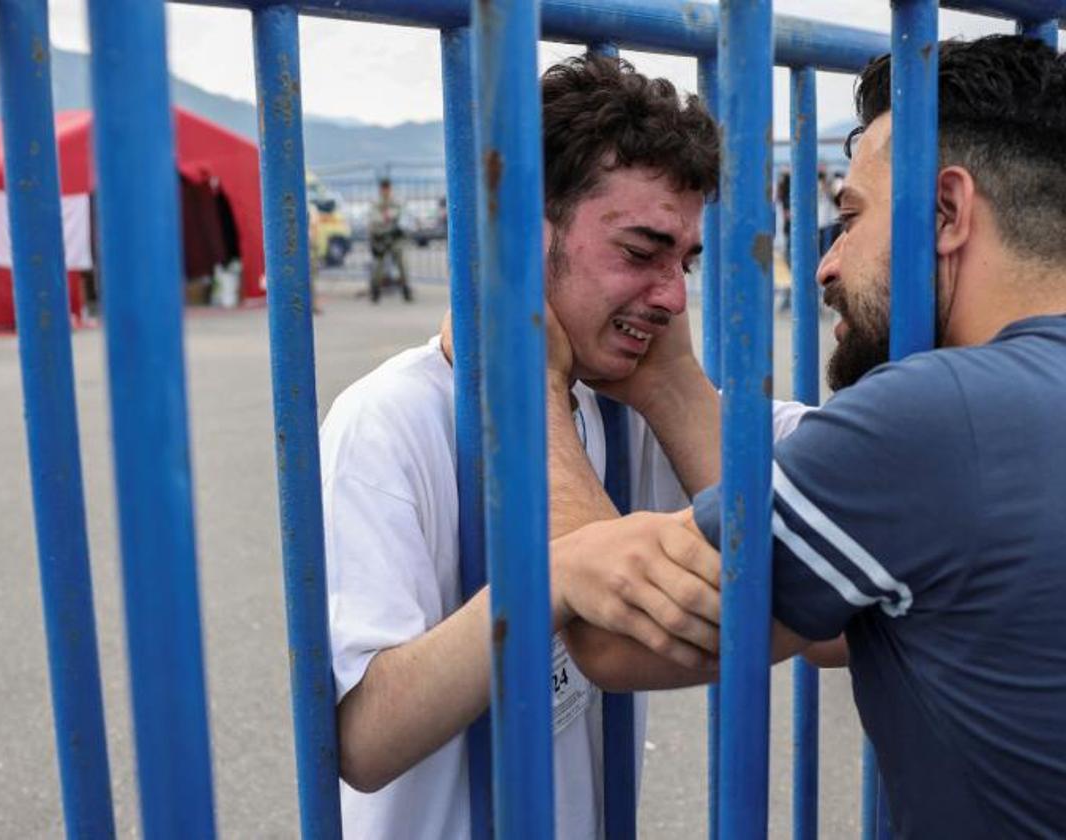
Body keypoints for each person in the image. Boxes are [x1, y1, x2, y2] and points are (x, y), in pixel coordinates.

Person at [556, 35, 1066, 838]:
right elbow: (838, 617)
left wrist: (523, 381)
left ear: (947, 213)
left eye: (852, 218)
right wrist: (673, 385)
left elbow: (612, 634)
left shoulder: (941, 417)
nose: (827, 266)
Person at [321, 54, 808, 839]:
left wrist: (676, 388)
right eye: (641, 251)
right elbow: (362, 739)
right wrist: (546, 582)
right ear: (520, 237)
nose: (675, 295)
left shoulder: (627, 405)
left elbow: (817, 569)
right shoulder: (391, 418)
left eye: (685, 262)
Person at [366, 177, 412, 302]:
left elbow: (402, 215)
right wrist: (388, 217)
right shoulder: (376, 202)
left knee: (401, 265)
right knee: (378, 267)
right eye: (383, 189)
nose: (385, 191)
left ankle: (406, 290)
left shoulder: (396, 201)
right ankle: (375, 291)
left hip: (394, 238)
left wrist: (389, 216)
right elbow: (374, 219)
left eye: (387, 188)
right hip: (380, 239)